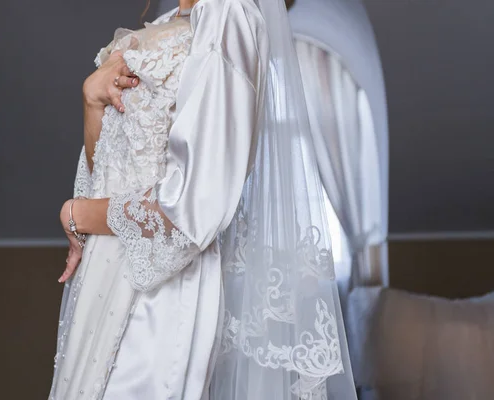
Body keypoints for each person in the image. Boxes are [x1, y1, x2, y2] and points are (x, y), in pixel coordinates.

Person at [49, 0, 357, 398]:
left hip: (158, 293)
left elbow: (193, 209)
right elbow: (105, 173)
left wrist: (77, 213)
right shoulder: (166, 23)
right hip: (102, 275)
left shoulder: (230, 15)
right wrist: (92, 101)